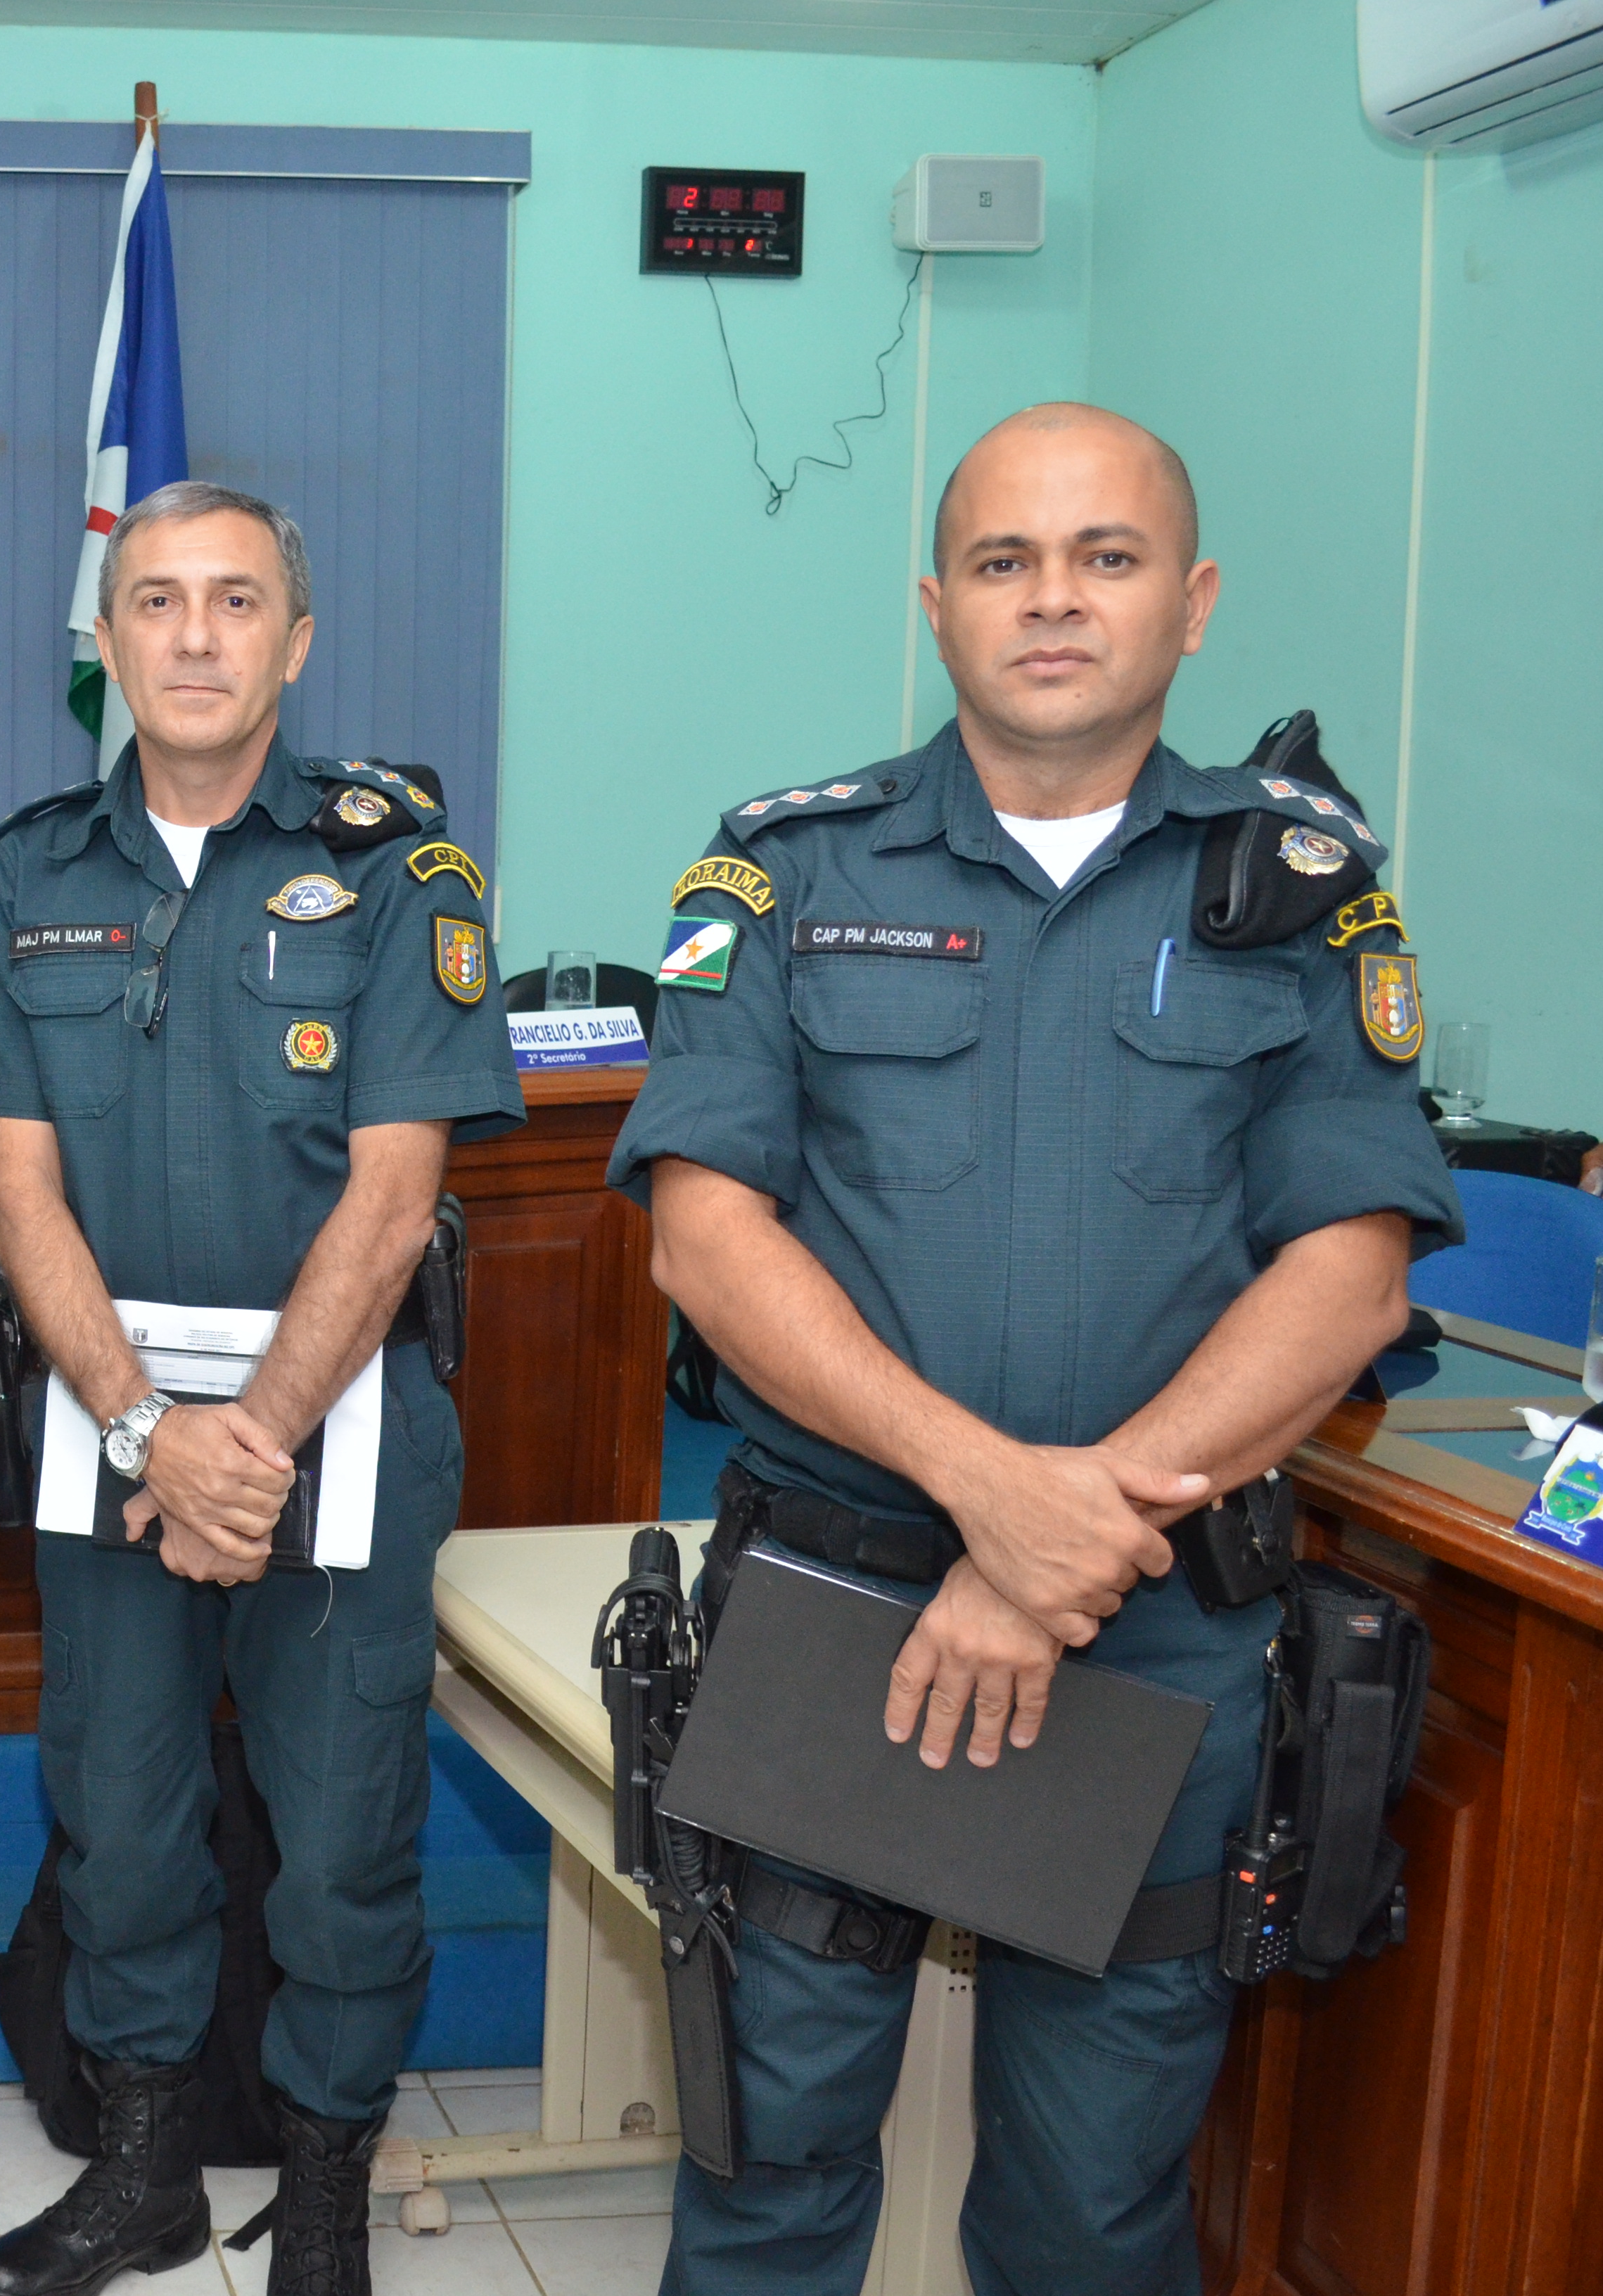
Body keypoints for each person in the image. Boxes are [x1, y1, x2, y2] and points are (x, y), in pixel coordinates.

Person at [613, 403, 1463, 2295]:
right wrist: (998, 1503)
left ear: (1195, 601)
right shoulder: (787, 872)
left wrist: (1061, 1553)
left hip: (1153, 1635)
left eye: (1107, 558)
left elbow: (1352, 1272)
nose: (1054, 601)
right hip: (838, 1606)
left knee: (1094, 2209)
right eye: (1005, 561)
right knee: (768, 2173)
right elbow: (704, 1236)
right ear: (938, 606)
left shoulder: (1303, 895)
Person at [0, 480, 525, 2296]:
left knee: (345, 1830)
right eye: (157, 602)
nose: (194, 637)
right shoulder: (29, 873)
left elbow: (399, 1188)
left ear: (298, 638)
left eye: (236, 601)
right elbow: (16, 1186)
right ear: (104, 642)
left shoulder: (408, 872)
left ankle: (327, 2194)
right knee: (119, 1812)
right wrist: (142, 1431)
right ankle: (145, 2173)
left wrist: (246, 1440)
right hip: (114, 1443)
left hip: (337, 1431)